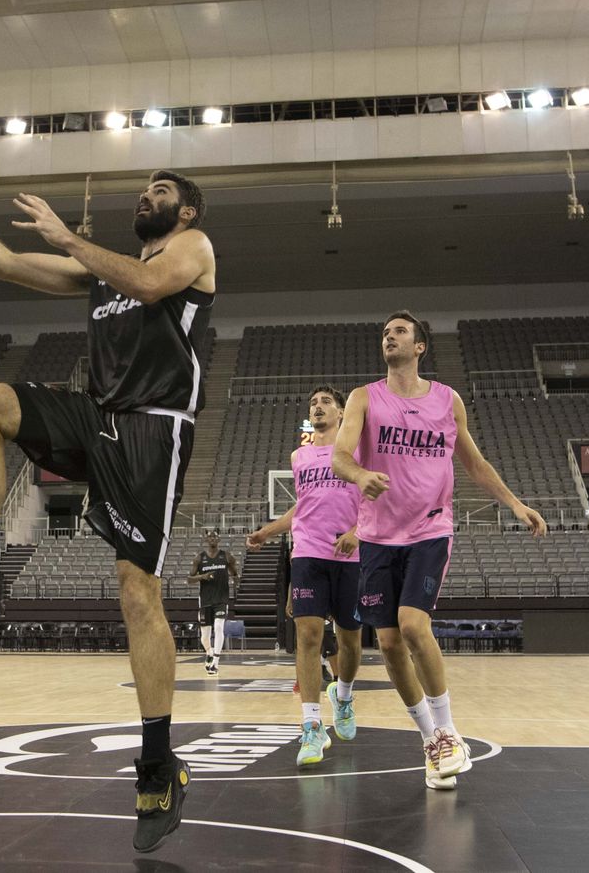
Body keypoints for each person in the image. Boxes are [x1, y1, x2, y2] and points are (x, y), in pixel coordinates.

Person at [0, 171, 213, 853]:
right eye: (142, 187)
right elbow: (5, 261)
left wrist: (69, 237)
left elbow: (151, 284)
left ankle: (159, 765)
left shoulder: (194, 246)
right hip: (96, 414)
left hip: (153, 427)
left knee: (138, 592)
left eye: (160, 188)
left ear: (185, 207)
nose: (146, 194)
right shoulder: (103, 272)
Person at [332, 311, 546, 792]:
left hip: (430, 529)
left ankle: (448, 728)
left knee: (412, 626)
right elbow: (340, 454)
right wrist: (359, 474)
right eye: (385, 331)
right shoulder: (364, 397)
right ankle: (432, 741)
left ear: (420, 346)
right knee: (387, 643)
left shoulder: (447, 401)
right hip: (376, 537)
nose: (389, 336)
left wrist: (514, 504)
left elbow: (473, 461)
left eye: (399, 331)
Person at [247, 385, 364, 768]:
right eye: (313, 403)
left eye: (326, 402)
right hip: (308, 553)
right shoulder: (299, 456)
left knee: (349, 639)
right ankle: (312, 726)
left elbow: (378, 500)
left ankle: (342, 696)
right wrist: (268, 531)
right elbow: (302, 508)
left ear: (342, 413)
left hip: (350, 554)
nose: (317, 407)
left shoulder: (357, 451)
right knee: (308, 636)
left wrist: (356, 533)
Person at [187, 531, 237, 676]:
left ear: (219, 539)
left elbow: (235, 574)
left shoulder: (226, 556)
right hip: (205, 600)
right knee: (204, 636)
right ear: (206, 540)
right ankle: (209, 652)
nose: (213, 539)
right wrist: (203, 576)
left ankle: (215, 662)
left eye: (215, 537)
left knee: (219, 627)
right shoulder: (199, 558)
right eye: (210, 537)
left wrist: (236, 582)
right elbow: (190, 579)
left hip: (221, 599)